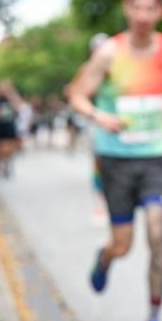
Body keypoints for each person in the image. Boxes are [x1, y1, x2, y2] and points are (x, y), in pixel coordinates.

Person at [68, 0, 162, 321]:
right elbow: (77, 94)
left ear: (160, 12)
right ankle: (105, 257)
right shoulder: (109, 53)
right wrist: (99, 116)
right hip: (115, 159)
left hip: (156, 156)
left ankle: (154, 316)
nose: (143, 16)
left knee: (157, 237)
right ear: (127, 9)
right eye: (137, 8)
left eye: (150, 9)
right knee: (123, 244)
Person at [64, 32, 112, 224]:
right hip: (96, 122)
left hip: (120, 123)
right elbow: (72, 93)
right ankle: (99, 202)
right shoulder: (88, 68)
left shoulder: (121, 66)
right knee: (99, 163)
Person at [0, 79, 24, 178]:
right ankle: (0, 162)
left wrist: (11, 97)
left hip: (10, 125)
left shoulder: (12, 98)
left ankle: (7, 163)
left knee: (10, 146)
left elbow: (19, 109)